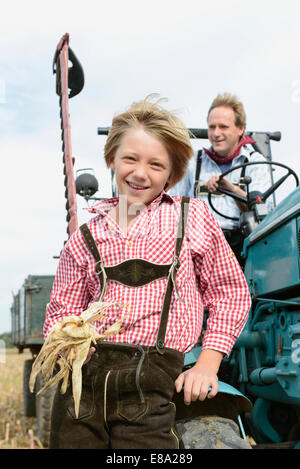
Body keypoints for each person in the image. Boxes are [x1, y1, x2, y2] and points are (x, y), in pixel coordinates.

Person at [45, 95, 251, 449]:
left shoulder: (192, 218)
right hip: (87, 389)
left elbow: (229, 292)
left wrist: (207, 364)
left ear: (172, 174)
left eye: (156, 164)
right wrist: (65, 343)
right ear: (112, 159)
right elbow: (62, 309)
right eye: (130, 159)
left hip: (159, 384)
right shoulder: (86, 237)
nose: (141, 173)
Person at [169, 93, 273, 265]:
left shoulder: (256, 163)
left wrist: (231, 189)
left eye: (223, 127)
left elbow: (263, 215)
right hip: (198, 247)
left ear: (240, 129)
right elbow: (173, 208)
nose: (216, 133)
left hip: (242, 248)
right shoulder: (192, 163)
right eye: (212, 127)